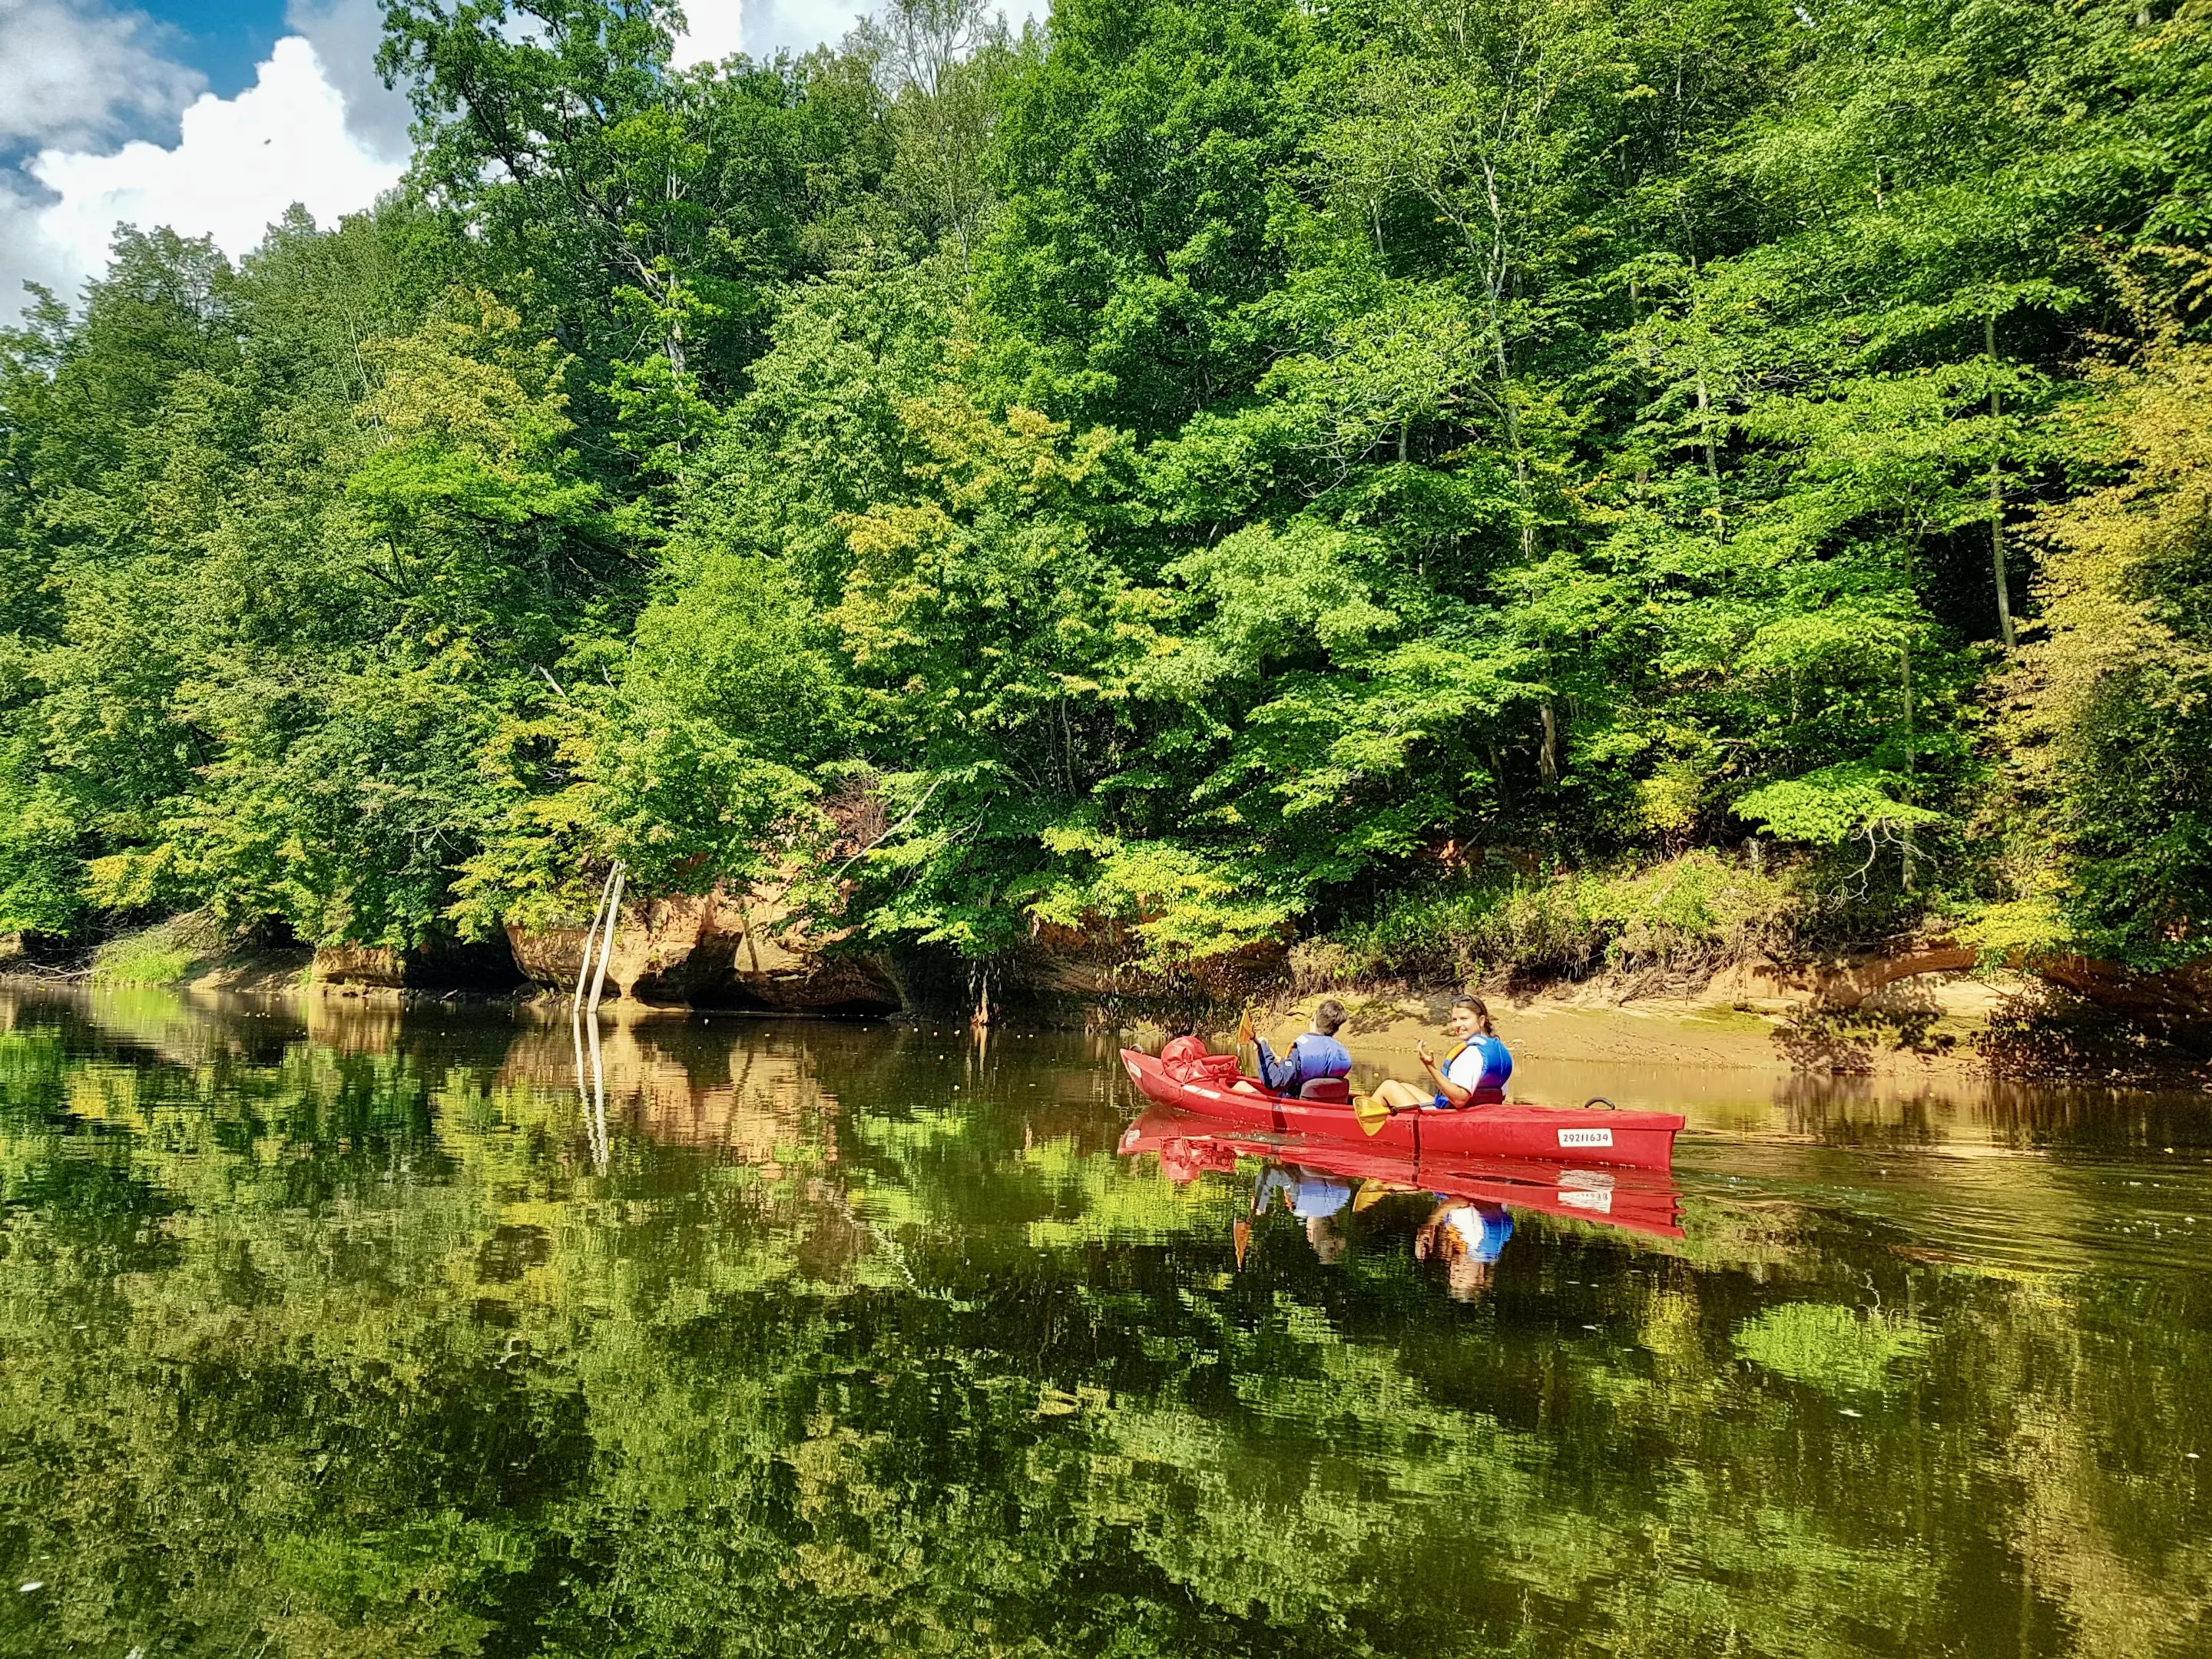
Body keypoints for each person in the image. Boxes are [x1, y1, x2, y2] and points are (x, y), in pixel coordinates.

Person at [1356, 994, 1512, 1115]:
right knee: (1404, 1087)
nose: (1458, 1025)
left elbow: (1459, 1099)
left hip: (1453, 1117)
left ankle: (1358, 1130)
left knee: (1388, 1086)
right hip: (1476, 1113)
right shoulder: (1499, 1049)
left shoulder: (1472, 1054)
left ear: (1482, 1020)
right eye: (1454, 1020)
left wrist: (1430, 1067)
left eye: (1464, 1019)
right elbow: (1501, 1094)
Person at [1254, 998, 1354, 1095]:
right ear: (1336, 1029)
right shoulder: (1342, 1055)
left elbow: (1275, 1082)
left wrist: (1263, 1049)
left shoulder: (1301, 1051)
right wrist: (1277, 1059)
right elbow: (1317, 1068)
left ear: (1314, 1017)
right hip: (1326, 1107)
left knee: (1241, 1086)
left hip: (1296, 1105)